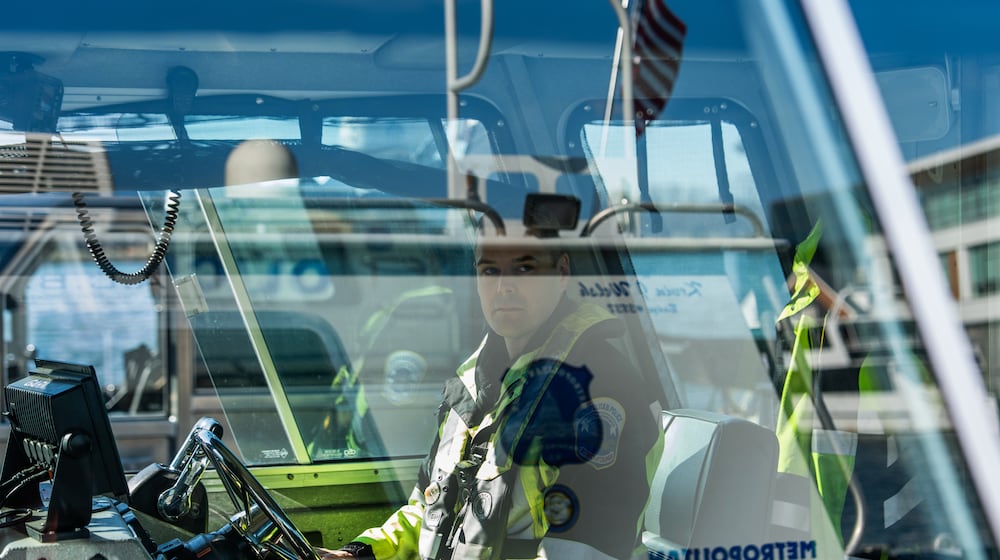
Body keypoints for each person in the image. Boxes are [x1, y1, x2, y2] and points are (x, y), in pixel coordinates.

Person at [319, 235, 662, 560]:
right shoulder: (468, 387)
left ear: (561, 273)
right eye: (490, 271)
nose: (504, 286)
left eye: (524, 268)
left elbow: (587, 546)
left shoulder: (600, 386)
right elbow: (429, 508)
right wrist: (358, 552)